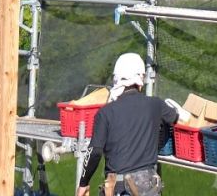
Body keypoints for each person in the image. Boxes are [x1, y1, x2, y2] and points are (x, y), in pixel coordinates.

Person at [77, 53, 188, 196]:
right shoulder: (155, 105)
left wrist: (83, 183)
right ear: (140, 79)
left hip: (119, 187)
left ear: (116, 79)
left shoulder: (105, 113)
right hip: (149, 186)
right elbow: (180, 119)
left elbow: (94, 152)